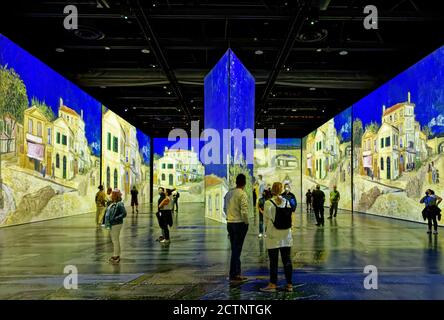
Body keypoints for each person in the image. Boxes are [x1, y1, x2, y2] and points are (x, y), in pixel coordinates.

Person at [260, 182, 294, 293]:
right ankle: (289, 285)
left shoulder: (268, 203)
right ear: (281, 190)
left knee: (273, 261)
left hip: (273, 235)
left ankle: (272, 284)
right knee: (287, 260)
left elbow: (265, 220)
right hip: (286, 235)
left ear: (272, 191)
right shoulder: (287, 202)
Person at [224, 173, 249, 282]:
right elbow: (244, 211)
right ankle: (235, 274)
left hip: (230, 223)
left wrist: (229, 217)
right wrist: (246, 222)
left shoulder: (229, 193)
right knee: (237, 249)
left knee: (234, 248)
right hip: (239, 224)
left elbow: (224, 208)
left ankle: (235, 273)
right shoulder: (242, 194)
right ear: (244, 183)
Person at [105, 189, 127, 264]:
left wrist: (115, 218)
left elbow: (124, 214)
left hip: (116, 224)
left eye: (112, 194)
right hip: (113, 223)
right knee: (115, 240)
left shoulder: (119, 204)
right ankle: (117, 254)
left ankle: (116, 255)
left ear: (115, 195)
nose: (111, 195)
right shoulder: (113, 203)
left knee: (115, 240)